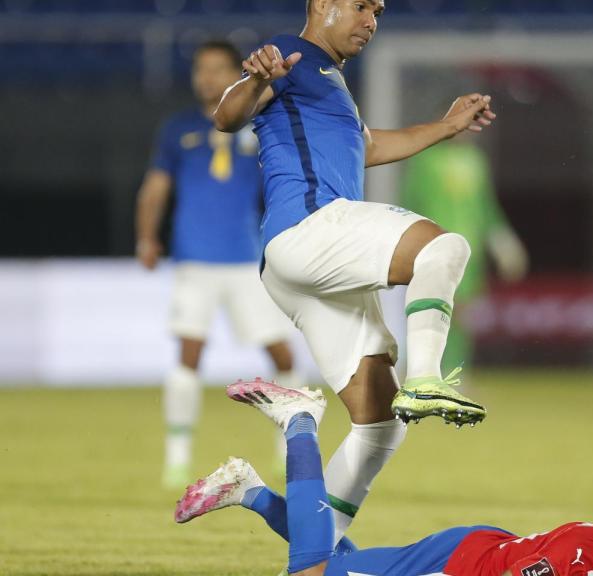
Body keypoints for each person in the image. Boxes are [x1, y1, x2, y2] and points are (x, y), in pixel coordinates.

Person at [211, 0, 497, 548]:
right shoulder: (291, 54)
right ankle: (427, 378)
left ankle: (307, 547)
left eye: (379, 12)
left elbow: (367, 146)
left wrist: (447, 125)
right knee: (445, 248)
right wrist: (253, 79)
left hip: (293, 268)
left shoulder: (331, 82)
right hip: (313, 227)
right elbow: (227, 115)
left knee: (378, 425)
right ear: (324, 5)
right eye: (363, 5)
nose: (372, 20)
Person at [175, 379, 593, 576]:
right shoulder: (581, 555)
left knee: (336, 563)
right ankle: (299, 422)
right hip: (460, 565)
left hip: (476, 550)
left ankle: (247, 489)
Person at [135, 40, 302, 489]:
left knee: (281, 353)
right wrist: (147, 235)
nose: (206, 78)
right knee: (188, 355)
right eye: (200, 69)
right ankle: (177, 455)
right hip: (194, 259)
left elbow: (282, 187)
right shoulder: (178, 129)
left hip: (247, 260)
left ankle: (290, 446)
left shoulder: (259, 122)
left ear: (236, 73)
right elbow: (155, 188)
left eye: (216, 69)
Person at [400, 138, 528, 373]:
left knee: (463, 313)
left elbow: (486, 205)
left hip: (470, 248)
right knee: (431, 308)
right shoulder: (426, 159)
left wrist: (502, 240)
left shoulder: (475, 160)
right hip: (434, 244)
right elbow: (411, 200)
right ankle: (418, 371)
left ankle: (455, 373)